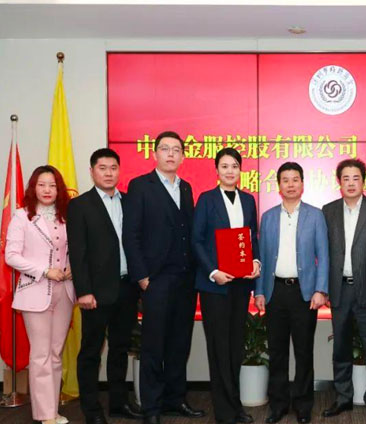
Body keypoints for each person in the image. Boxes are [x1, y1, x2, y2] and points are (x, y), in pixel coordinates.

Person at [122, 131, 204, 424]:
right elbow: (131, 235)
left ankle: (175, 399)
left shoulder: (186, 187)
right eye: (165, 149)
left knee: (180, 343)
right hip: (155, 280)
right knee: (153, 345)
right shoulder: (140, 186)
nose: (171, 154)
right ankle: (152, 408)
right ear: (155, 153)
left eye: (176, 149)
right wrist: (142, 276)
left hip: (185, 279)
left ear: (183, 156)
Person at [67, 149, 142, 424]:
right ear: (92, 172)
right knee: (91, 352)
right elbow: (78, 252)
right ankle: (92, 410)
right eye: (102, 168)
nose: (109, 173)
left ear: (119, 171)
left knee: (120, 349)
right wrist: (84, 291)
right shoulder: (80, 205)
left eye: (113, 168)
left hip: (127, 287)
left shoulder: (130, 202)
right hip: (96, 293)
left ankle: (118, 404)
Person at [255, 162, 329, 424]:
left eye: (295, 179)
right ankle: (278, 404)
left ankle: (303, 405)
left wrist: (320, 289)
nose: (290, 184)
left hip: (303, 293)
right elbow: (263, 258)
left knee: (304, 352)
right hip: (275, 292)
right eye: (285, 180)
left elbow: (324, 255)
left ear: (302, 184)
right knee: (276, 352)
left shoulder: (315, 216)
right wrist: (259, 291)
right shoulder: (268, 217)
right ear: (279, 186)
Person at [192, 148, 261, 424]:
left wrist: (255, 260)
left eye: (234, 166)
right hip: (215, 287)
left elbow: (252, 236)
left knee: (235, 347)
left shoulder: (248, 200)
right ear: (216, 170)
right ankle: (224, 411)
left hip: (240, 286)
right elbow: (196, 240)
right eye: (224, 166)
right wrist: (213, 271)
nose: (230, 171)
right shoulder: (206, 199)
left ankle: (235, 405)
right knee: (218, 347)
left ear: (240, 170)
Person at [322, 159, 366, 423]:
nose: (351, 183)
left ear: (364, 181)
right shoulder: (328, 210)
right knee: (340, 347)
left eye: (356, 178)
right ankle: (342, 398)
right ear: (339, 182)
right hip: (339, 289)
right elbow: (323, 253)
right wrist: (323, 287)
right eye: (346, 178)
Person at [6, 165, 75, 424]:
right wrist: (44, 271)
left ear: (59, 189)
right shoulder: (22, 216)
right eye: (42, 185)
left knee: (55, 354)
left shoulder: (67, 216)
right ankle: (45, 415)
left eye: (53, 185)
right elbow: (12, 256)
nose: (47, 190)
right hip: (35, 291)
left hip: (65, 292)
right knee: (41, 354)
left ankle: (52, 410)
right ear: (33, 188)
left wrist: (72, 267)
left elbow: (76, 249)